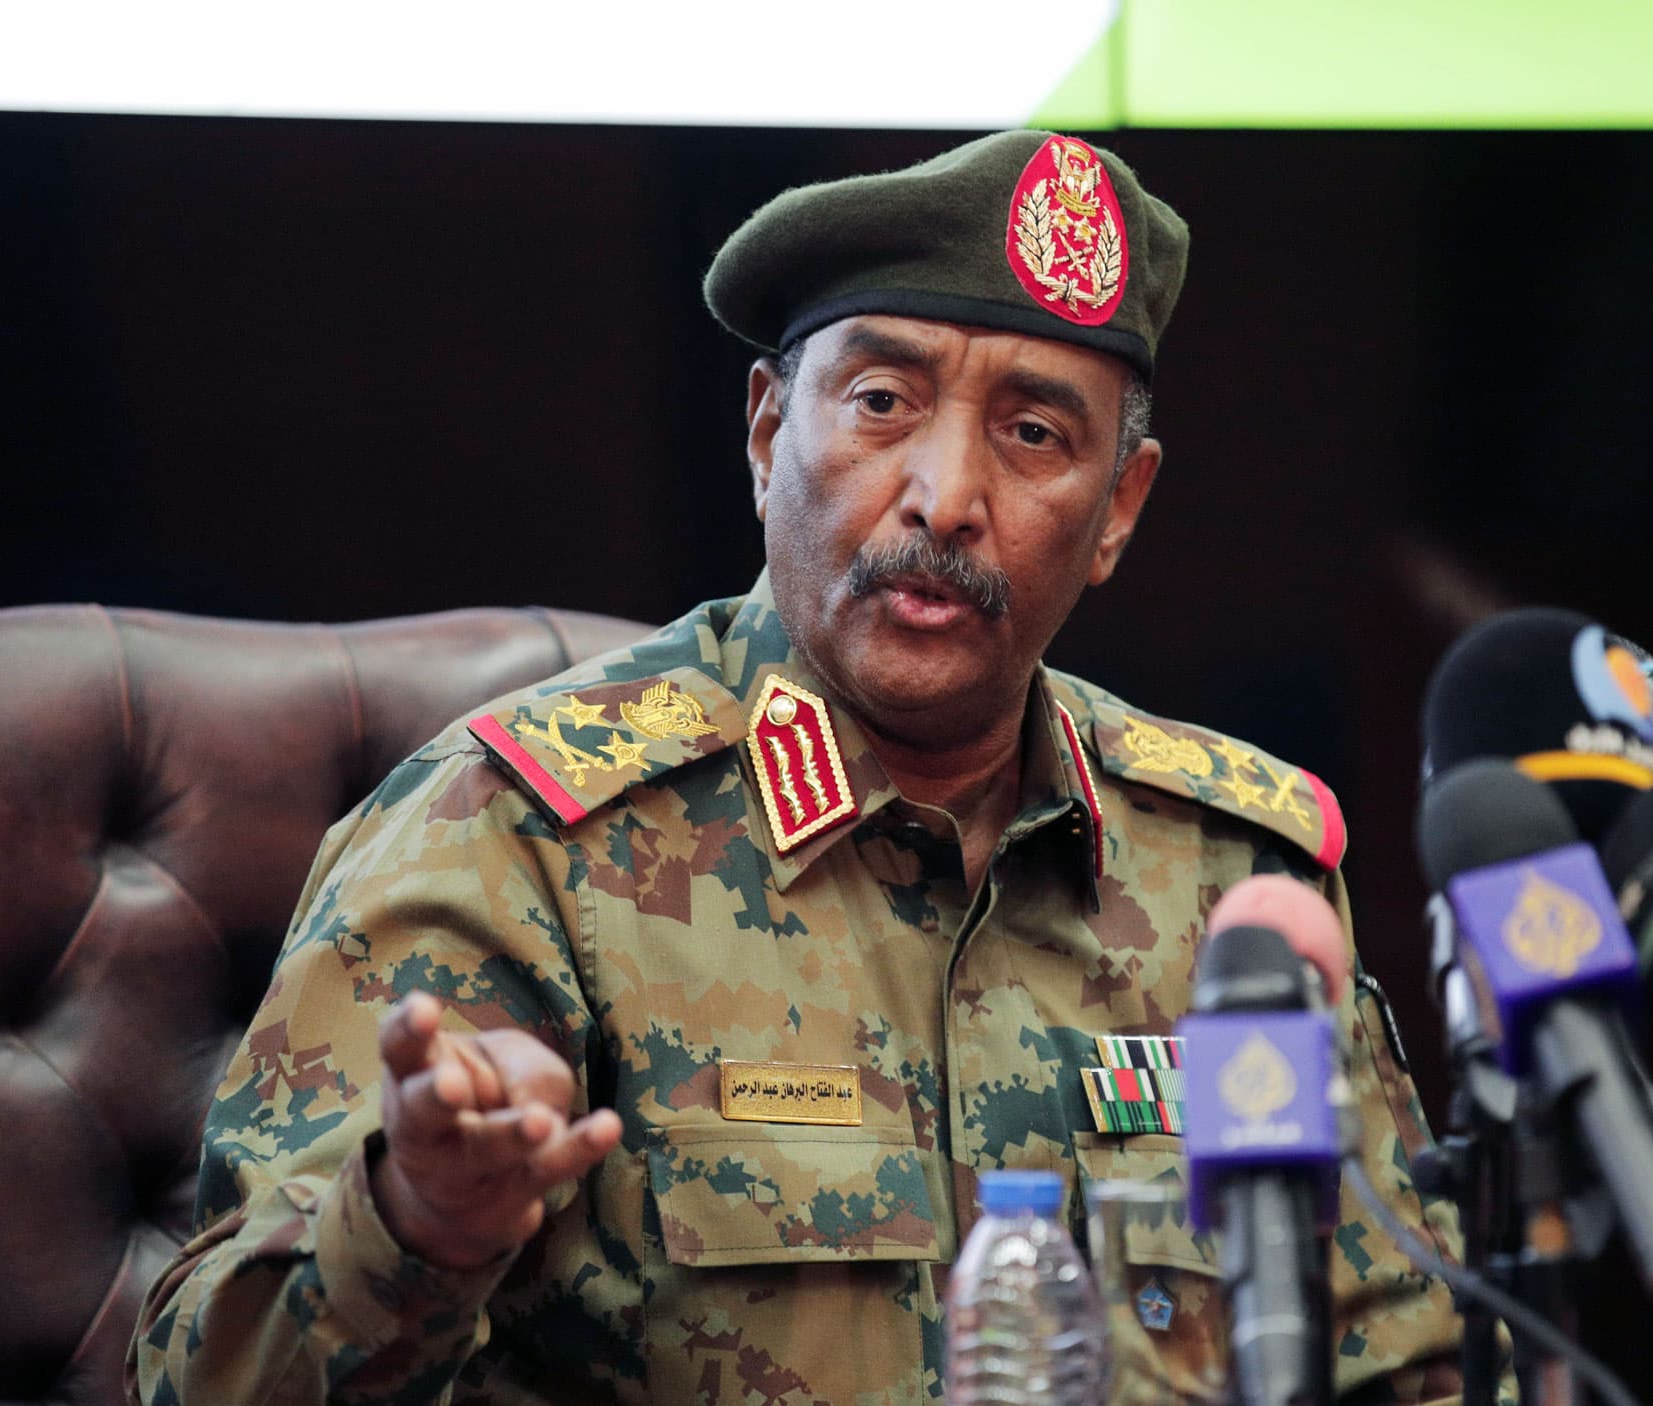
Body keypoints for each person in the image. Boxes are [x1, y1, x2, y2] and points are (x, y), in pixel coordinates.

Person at [130, 128, 1484, 1405]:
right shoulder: (523, 838)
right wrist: (418, 1225)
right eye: (883, 402)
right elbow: (197, 1377)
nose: (946, 497)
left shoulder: (1230, 874)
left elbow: (1408, 1359)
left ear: (1119, 506)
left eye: (1034, 434)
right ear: (772, 432)